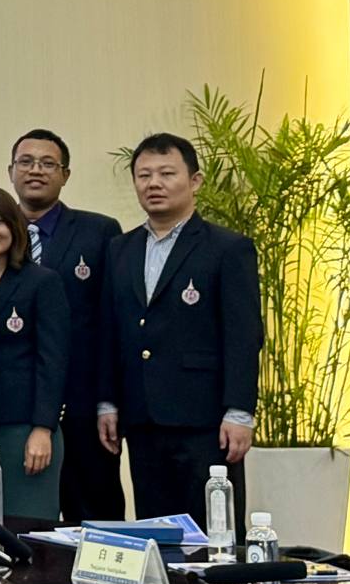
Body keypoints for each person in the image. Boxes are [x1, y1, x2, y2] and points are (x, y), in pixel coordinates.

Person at [98, 133, 262, 532]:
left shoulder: (227, 248)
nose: (153, 183)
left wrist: (240, 412)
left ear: (195, 181)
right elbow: (109, 329)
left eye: (166, 173)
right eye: (144, 175)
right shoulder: (120, 249)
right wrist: (107, 402)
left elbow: (243, 335)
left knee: (214, 532)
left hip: (205, 420)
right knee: (158, 530)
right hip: (142, 417)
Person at [9, 129, 124, 520]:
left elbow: (112, 322)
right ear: (11, 171)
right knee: (22, 518)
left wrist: (108, 400)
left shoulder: (99, 232)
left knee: (94, 515)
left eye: (47, 163)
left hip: (82, 403)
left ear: (65, 175)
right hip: (13, 406)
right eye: (26, 162)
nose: (35, 170)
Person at [0, 186, 71, 520]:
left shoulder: (42, 282)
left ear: (14, 225)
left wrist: (43, 428)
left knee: (27, 528)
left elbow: (53, 360)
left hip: (23, 429)